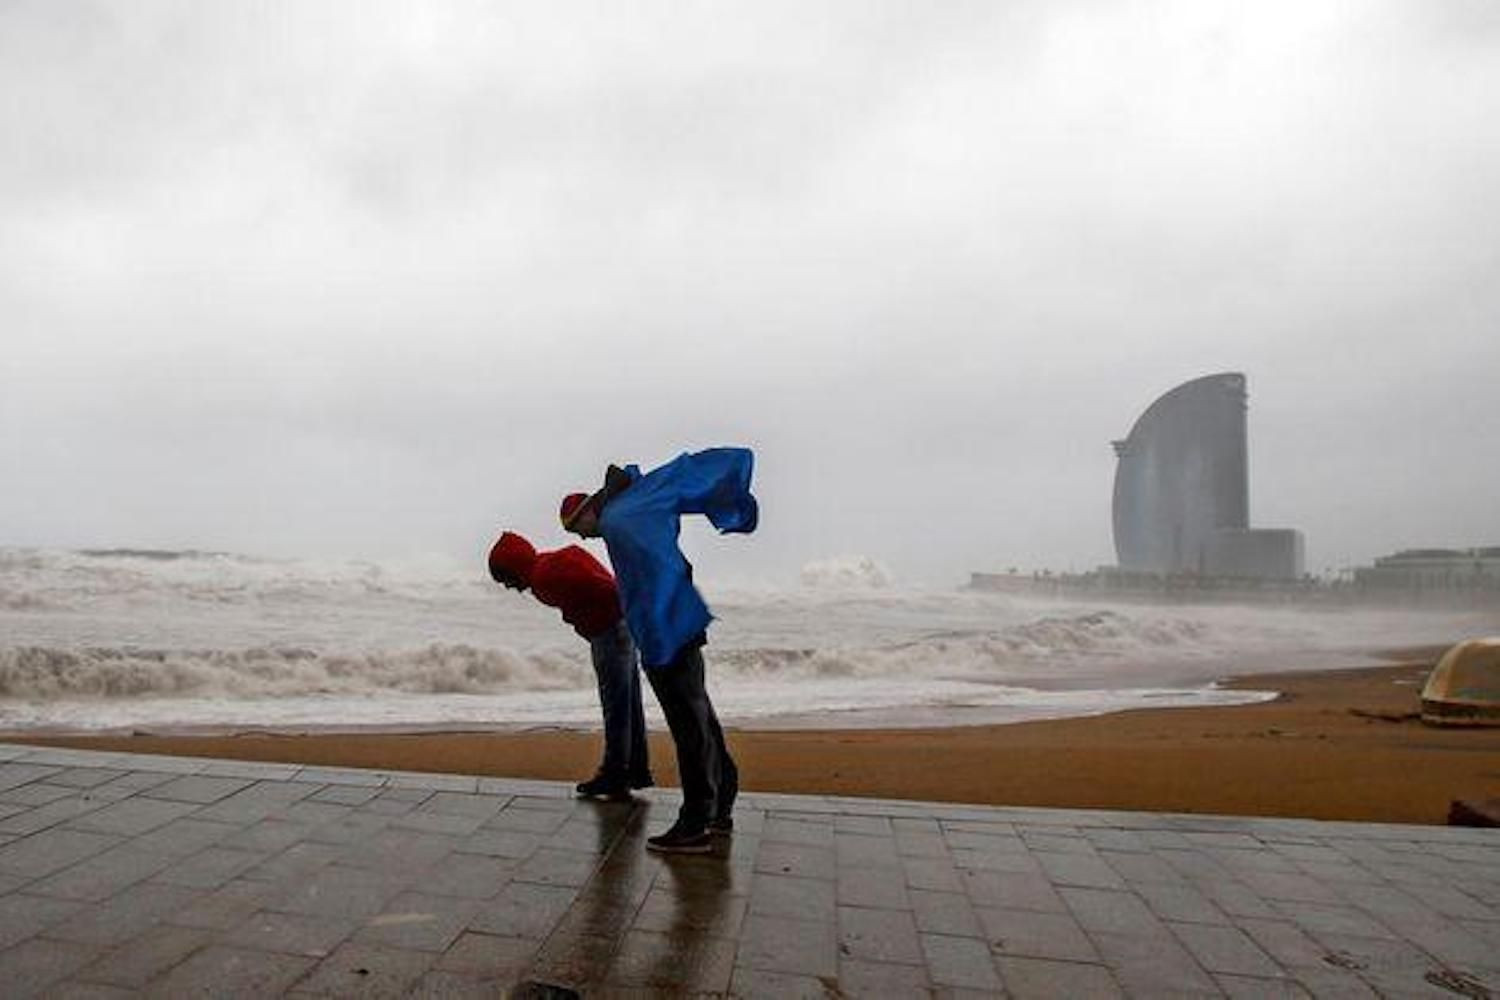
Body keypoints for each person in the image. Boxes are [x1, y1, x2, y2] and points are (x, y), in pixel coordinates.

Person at [562, 446, 757, 854]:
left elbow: (644, 584)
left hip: (665, 630)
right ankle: (720, 802)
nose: (582, 538)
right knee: (700, 714)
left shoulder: (621, 519)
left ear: (585, 513)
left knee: (688, 723)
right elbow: (686, 478)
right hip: (683, 619)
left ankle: (695, 823)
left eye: (576, 529)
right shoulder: (639, 498)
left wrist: (652, 638)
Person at [486, 530, 651, 800]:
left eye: (505, 578)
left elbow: (604, 588)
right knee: (628, 703)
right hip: (619, 628)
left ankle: (615, 774)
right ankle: (634, 770)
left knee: (616, 707)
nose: (508, 586)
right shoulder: (548, 565)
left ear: (514, 567)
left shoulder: (544, 575)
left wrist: (587, 619)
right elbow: (600, 583)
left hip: (609, 632)